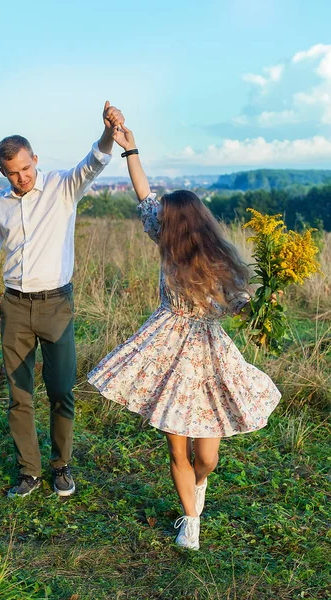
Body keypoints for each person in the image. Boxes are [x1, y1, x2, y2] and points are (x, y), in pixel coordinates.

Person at [87, 124, 281, 550]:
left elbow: (239, 305)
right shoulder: (164, 235)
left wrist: (260, 307)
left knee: (206, 457)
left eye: (170, 219)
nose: (161, 222)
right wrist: (130, 147)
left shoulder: (219, 260)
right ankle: (189, 523)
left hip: (209, 354)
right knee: (178, 449)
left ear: (186, 221)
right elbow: (143, 194)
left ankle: (198, 488)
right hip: (166, 348)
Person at [0, 102, 124, 498]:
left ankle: (62, 466)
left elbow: (95, 162)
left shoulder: (63, 187)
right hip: (14, 306)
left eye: (26, 169)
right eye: (13, 173)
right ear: (3, 172)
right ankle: (28, 471)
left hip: (56, 306)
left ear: (36, 159)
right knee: (20, 395)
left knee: (62, 389)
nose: (21, 179)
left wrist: (107, 132)